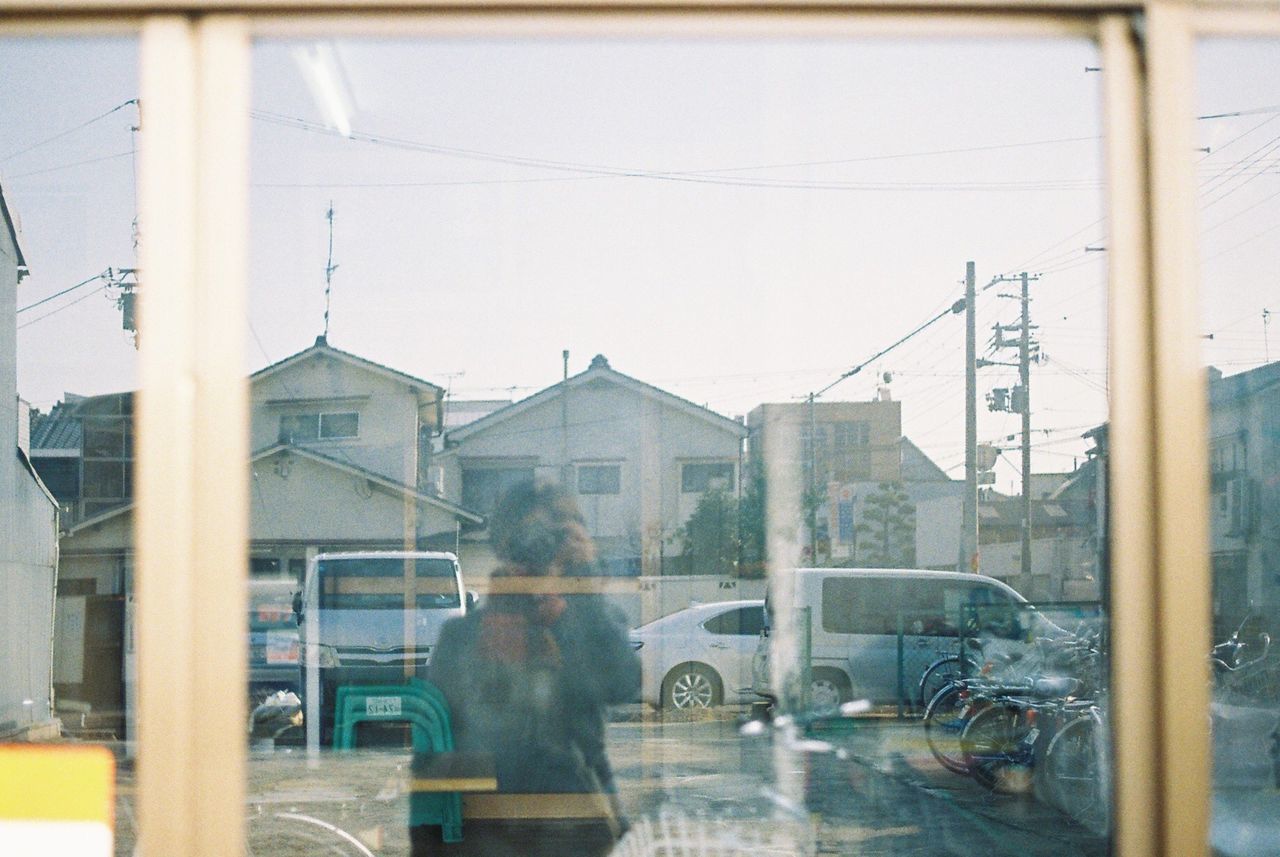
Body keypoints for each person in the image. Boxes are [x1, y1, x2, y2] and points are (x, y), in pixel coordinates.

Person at [412, 480, 641, 857]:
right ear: (504, 545)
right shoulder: (462, 637)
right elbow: (432, 757)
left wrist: (580, 602)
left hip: (578, 829)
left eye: (557, 533)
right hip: (487, 834)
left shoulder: (587, 622)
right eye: (529, 535)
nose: (539, 547)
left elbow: (624, 683)